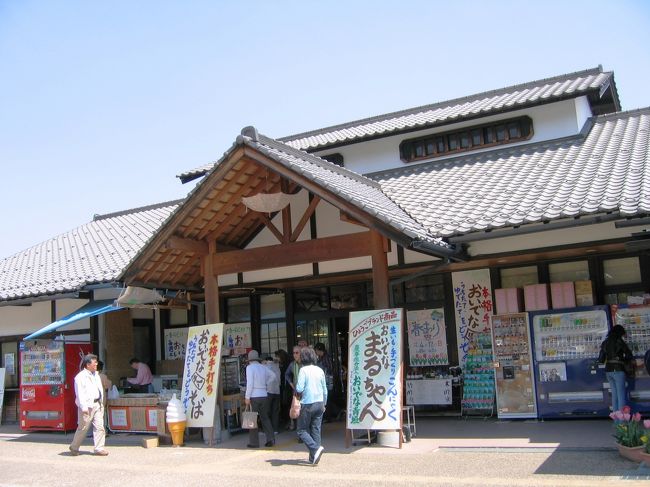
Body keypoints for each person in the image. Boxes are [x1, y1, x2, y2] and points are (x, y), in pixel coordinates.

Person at [68, 354, 109, 456]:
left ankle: (99, 448)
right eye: (94, 362)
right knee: (83, 427)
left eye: (96, 362)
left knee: (99, 427)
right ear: (87, 364)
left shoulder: (96, 375)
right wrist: (84, 407)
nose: (96, 364)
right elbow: (80, 393)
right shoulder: (80, 377)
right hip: (87, 406)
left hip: (98, 404)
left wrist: (101, 403)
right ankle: (74, 446)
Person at [295, 346, 327, 465]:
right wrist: (324, 403)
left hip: (308, 403)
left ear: (303, 357)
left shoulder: (303, 370)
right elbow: (325, 389)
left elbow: (299, 388)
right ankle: (313, 457)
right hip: (320, 403)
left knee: (301, 430)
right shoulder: (319, 370)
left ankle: (315, 449)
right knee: (316, 429)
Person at [244, 350, 275, 448]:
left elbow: (250, 384)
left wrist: (247, 397)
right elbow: (273, 376)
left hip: (254, 396)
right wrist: (266, 384)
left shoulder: (249, 368)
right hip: (264, 395)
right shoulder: (263, 367)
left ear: (249, 360)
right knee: (265, 418)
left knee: (252, 419)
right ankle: (271, 439)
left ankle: (254, 442)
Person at [600, 325, 633, 413]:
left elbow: (601, 360)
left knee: (615, 396)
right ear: (620, 333)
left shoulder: (605, 342)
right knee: (621, 396)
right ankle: (622, 422)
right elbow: (629, 355)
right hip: (618, 371)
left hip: (608, 371)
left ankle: (616, 421)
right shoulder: (619, 341)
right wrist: (622, 360)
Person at [314, 342, 335, 421]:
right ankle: (327, 416)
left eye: (316, 350)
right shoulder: (322, 358)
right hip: (325, 381)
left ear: (319, 350)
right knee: (326, 399)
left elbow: (330, 369)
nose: (316, 352)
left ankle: (328, 417)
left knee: (327, 399)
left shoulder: (326, 358)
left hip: (328, 381)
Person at [284, 345, 303, 430]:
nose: (295, 355)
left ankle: (306, 432)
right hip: (296, 392)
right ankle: (300, 434)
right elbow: (286, 374)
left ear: (301, 353)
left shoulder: (305, 363)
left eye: (297, 352)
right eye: (293, 353)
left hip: (306, 391)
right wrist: (292, 384)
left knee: (305, 412)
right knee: (298, 411)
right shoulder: (292, 364)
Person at [264, 355, 282, 434]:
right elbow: (279, 381)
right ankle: (275, 429)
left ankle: (268, 430)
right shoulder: (277, 367)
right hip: (277, 391)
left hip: (268, 392)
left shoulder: (265, 367)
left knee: (266, 411)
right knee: (275, 411)